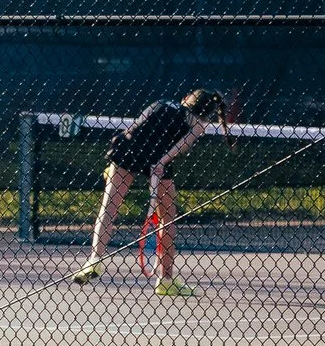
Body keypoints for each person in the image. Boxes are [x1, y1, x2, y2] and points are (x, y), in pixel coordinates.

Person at [70, 89, 227, 295]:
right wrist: (161, 163)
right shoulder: (197, 125)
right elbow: (179, 147)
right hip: (156, 156)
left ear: (186, 98)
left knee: (109, 207)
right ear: (207, 113)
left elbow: (135, 129)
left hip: (128, 149)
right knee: (167, 219)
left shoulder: (161, 102)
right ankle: (166, 280)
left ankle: (94, 260)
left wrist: (118, 162)